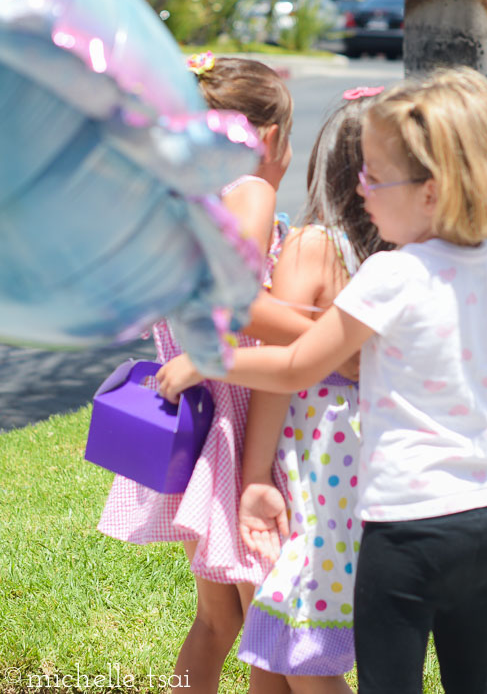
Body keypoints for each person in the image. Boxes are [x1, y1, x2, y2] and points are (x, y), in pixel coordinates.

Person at [158, 66, 487, 694]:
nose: (361, 190)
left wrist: (210, 359)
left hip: (405, 521)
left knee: (387, 679)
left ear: (431, 192)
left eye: (375, 176)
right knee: (475, 678)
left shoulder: (392, 276)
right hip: (485, 513)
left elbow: (296, 366)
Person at [99, 52, 308, 694]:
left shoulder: (178, 203)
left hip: (199, 434)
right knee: (266, 623)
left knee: (215, 620)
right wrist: (209, 349)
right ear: (268, 137)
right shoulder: (251, 187)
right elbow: (240, 279)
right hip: (241, 435)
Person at [234, 89, 393, 694]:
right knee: (275, 648)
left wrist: (253, 477)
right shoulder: (409, 256)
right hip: (371, 457)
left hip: (316, 459)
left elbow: (286, 370)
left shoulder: (311, 247)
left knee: (302, 642)